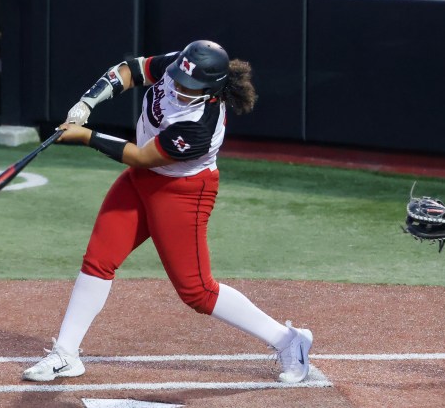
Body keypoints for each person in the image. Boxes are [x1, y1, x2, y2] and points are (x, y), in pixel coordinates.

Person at [22, 40, 314, 384]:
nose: (175, 85)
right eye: (176, 78)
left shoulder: (199, 125)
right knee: (99, 258)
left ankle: (288, 341)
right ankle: (66, 355)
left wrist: (87, 137)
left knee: (197, 292)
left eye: (186, 86)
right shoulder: (183, 65)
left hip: (182, 193)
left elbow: (141, 156)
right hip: (141, 181)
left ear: (210, 89)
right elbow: (131, 69)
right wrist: (88, 102)